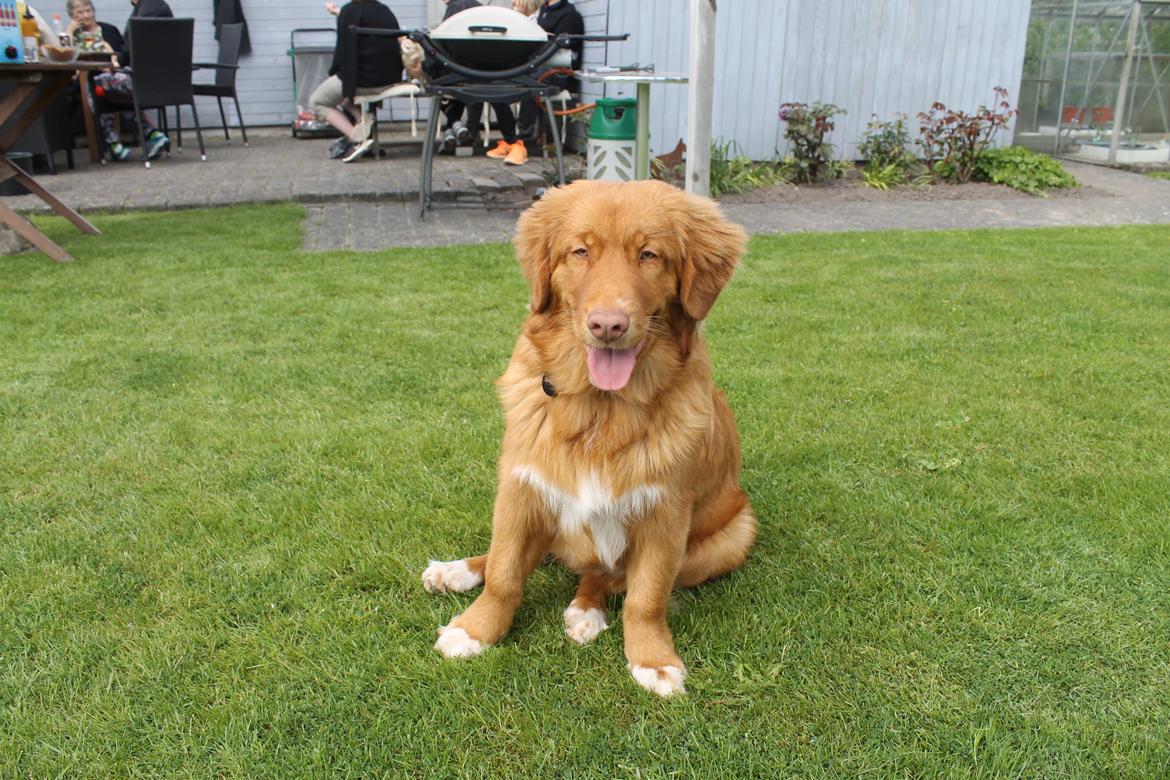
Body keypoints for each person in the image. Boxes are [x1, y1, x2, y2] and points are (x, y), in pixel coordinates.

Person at [485, 0, 583, 166]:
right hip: (534, 66)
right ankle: (511, 141)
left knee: (532, 84)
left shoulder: (569, 15)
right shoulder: (542, 11)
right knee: (495, 85)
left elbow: (561, 48)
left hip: (558, 71)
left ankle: (523, 142)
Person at [311, 0, 401, 163]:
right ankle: (363, 123)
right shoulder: (384, 10)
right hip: (388, 79)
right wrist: (339, 13)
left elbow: (344, 51)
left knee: (317, 102)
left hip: (363, 80)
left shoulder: (349, 11)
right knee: (345, 100)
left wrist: (334, 73)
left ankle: (358, 139)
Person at [85, 0, 172, 161]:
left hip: (143, 79)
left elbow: (135, 49)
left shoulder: (146, 11)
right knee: (110, 92)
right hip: (163, 79)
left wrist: (115, 61)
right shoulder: (155, 6)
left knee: (92, 83)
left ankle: (114, 145)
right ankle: (152, 135)